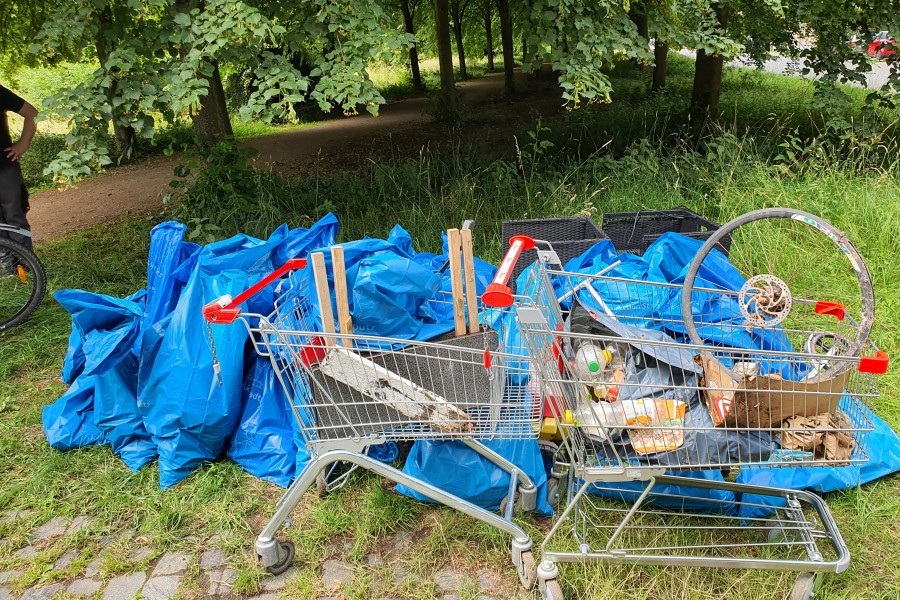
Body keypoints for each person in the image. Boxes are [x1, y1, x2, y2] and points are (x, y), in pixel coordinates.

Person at [0, 83, 38, 257]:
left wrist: (23, 144)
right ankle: (9, 268)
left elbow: (32, 114)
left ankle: (26, 264)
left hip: (5, 167)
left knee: (15, 216)